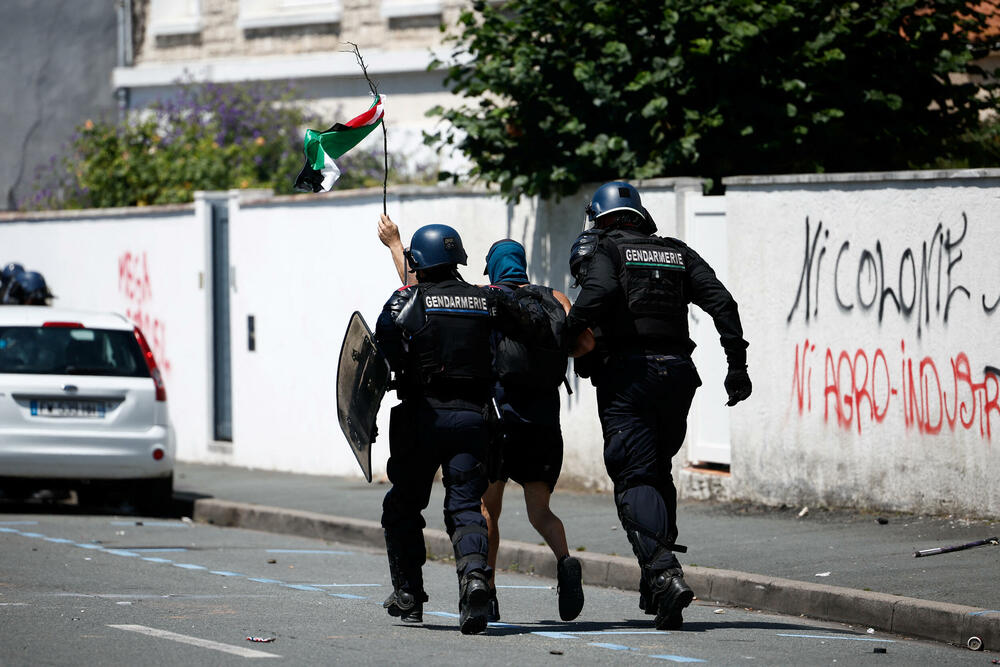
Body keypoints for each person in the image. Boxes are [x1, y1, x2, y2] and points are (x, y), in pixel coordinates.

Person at [563, 181, 752, 631]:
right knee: (655, 472)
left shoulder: (606, 249)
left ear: (600, 219)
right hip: (678, 376)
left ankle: (664, 573)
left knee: (635, 476)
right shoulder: (676, 251)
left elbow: (599, 291)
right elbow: (723, 303)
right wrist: (737, 366)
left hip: (629, 377)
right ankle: (656, 586)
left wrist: (566, 335)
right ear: (639, 216)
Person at [374, 221, 551, 635]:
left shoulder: (405, 299)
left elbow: (383, 349)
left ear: (419, 261)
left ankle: (408, 595)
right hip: (474, 417)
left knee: (403, 506)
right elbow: (534, 326)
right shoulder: (486, 299)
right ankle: (474, 582)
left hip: (422, 417)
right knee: (466, 507)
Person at [478, 239, 584, 623]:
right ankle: (566, 561)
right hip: (543, 425)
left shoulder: (485, 298)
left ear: (493, 267)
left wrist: (395, 245)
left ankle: (487, 591)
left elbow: (421, 293)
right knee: (540, 512)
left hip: (499, 422)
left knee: (488, 511)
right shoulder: (555, 298)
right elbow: (581, 342)